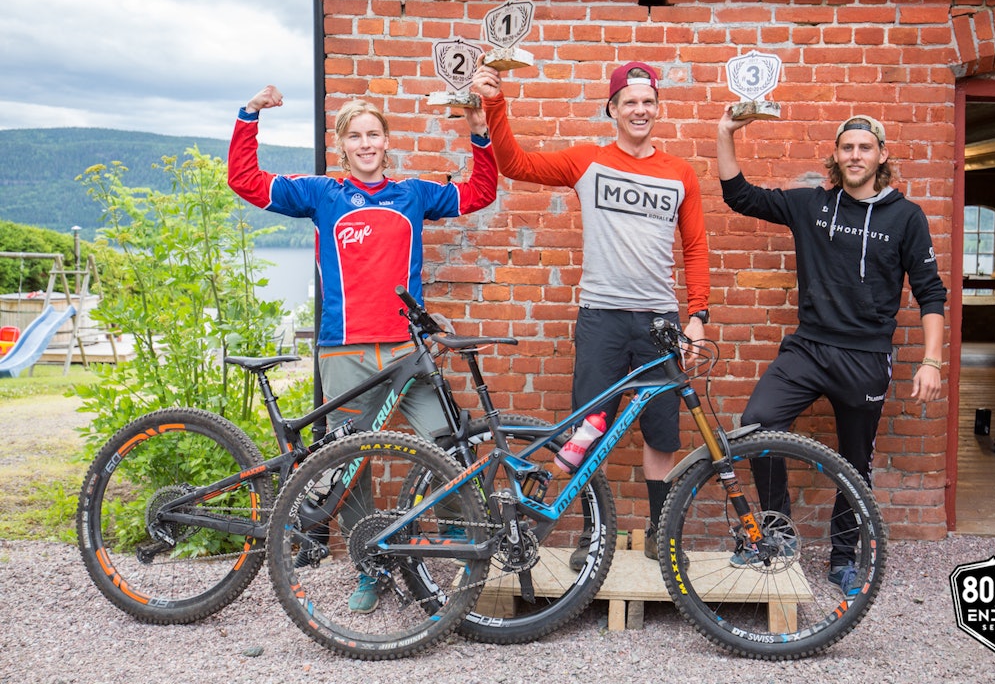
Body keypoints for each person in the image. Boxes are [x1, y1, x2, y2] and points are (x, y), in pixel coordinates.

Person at [228, 85, 497, 612]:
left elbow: (480, 193)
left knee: (449, 444)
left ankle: (463, 543)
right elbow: (247, 182)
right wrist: (249, 115)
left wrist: (478, 129)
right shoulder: (322, 195)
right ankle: (369, 568)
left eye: (374, 134)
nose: (366, 143)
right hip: (344, 352)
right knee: (350, 466)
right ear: (342, 145)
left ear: (387, 141)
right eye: (355, 136)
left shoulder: (413, 194)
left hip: (405, 350)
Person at [472, 61, 710, 566]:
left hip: (660, 322)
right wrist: (495, 104)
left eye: (648, 102)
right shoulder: (587, 161)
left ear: (657, 108)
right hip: (602, 317)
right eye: (630, 102)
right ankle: (591, 534)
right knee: (588, 429)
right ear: (613, 109)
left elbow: (695, 247)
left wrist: (697, 316)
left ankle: (660, 536)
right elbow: (514, 164)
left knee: (662, 432)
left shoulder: (680, 173)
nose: (640, 110)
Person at [715, 110, 947, 589]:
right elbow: (740, 196)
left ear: (881, 155)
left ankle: (843, 557)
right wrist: (725, 132)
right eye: (847, 148)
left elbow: (931, 293)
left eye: (865, 147)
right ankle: (778, 534)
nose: (855, 155)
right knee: (757, 424)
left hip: (866, 357)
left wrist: (931, 360)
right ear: (836, 156)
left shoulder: (906, 217)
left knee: (855, 464)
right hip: (809, 348)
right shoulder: (812, 206)